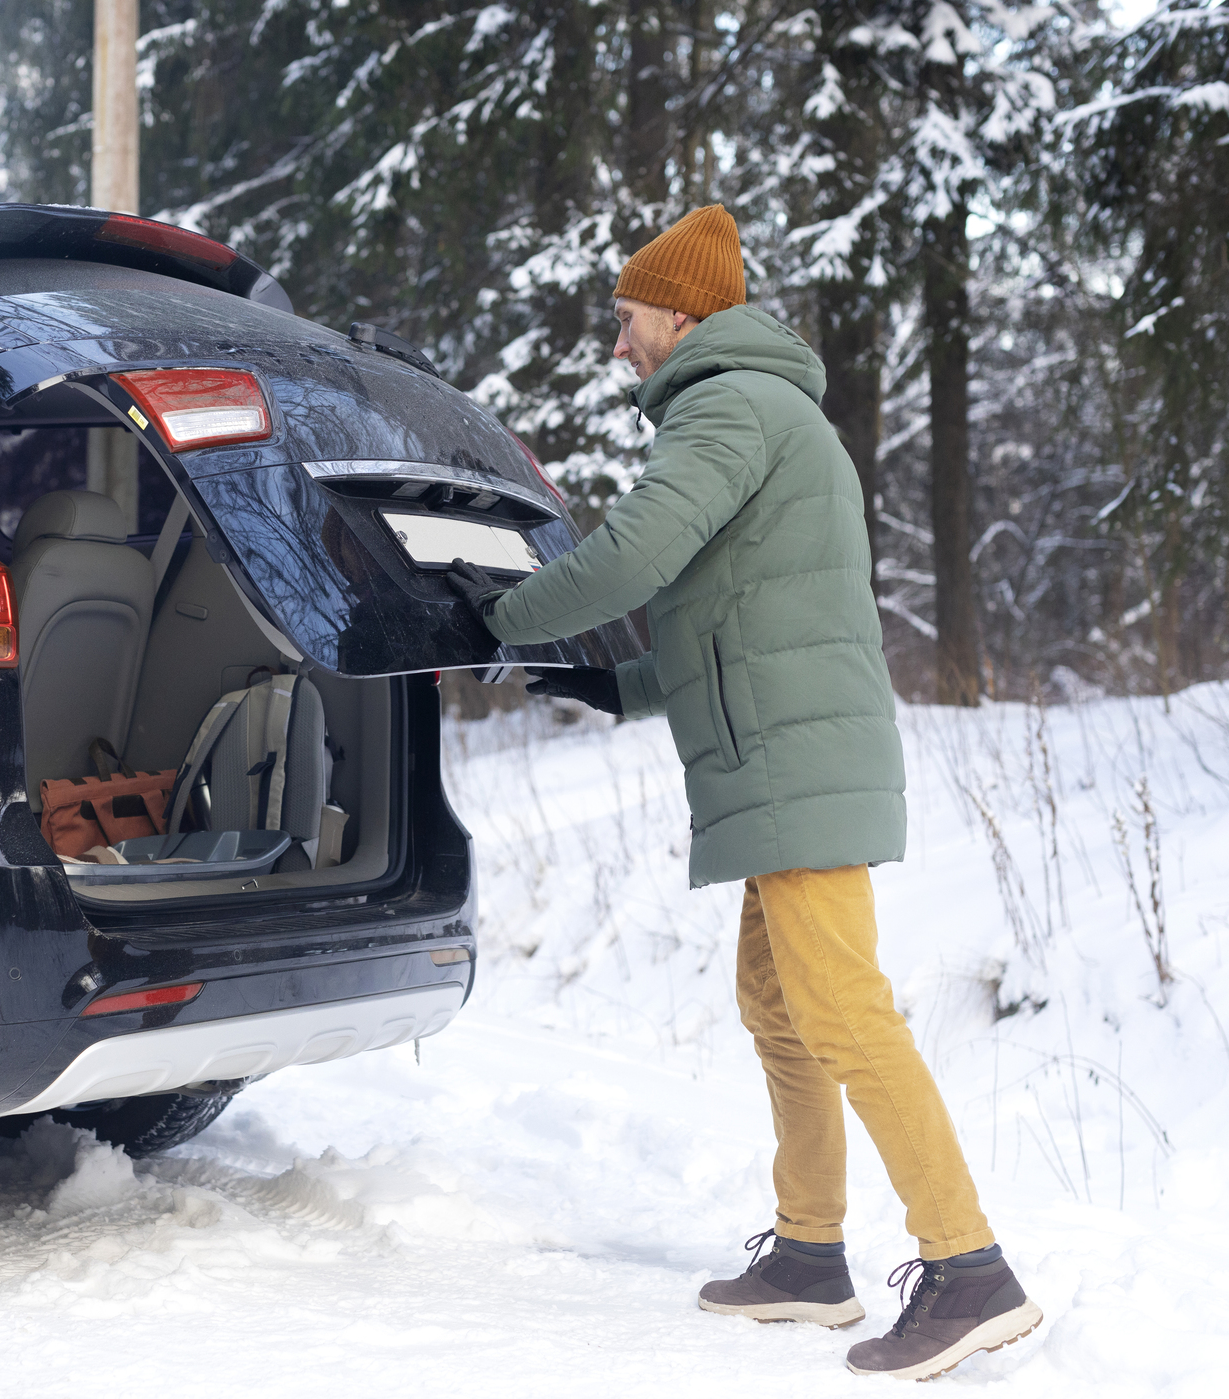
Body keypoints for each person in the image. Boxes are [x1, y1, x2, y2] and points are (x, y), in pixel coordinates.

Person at [444, 204, 1044, 1382]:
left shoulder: (728, 404)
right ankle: (812, 1254)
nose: (617, 346)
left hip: (794, 759)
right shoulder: (763, 414)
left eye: (625, 320)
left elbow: (633, 553)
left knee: (843, 1009)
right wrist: (611, 688)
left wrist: (499, 620)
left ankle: (970, 1266)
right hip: (781, 752)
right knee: (780, 1005)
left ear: (682, 312)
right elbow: (729, 620)